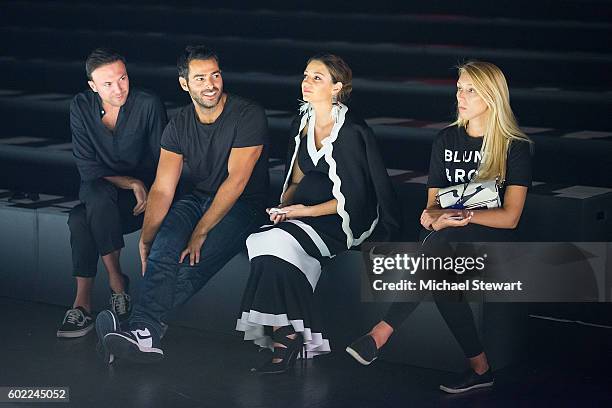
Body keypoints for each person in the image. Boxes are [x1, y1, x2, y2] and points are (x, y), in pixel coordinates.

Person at [346, 61, 533, 393]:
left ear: (491, 96)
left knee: (437, 252)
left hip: (491, 237)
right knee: (440, 251)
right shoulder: (446, 139)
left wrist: (460, 215)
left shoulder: (513, 146)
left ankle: (383, 332)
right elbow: (431, 205)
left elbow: (510, 217)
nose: (460, 95)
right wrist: (437, 215)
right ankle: (479, 369)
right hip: (446, 233)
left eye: (470, 89)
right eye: (459, 87)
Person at [97, 45, 269, 363]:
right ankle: (141, 332)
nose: (210, 84)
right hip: (198, 198)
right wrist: (148, 239)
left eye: (215, 75)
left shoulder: (248, 114)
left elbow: (237, 181)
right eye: (200, 77)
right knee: (164, 248)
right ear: (184, 83)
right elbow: (162, 188)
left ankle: (137, 328)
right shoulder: (178, 126)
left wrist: (201, 231)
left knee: (192, 262)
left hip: (244, 206)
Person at [236, 54, 401, 374]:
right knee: (261, 241)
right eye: (306, 75)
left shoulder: (350, 131)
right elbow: (296, 178)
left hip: (341, 220)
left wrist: (306, 211)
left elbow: (355, 197)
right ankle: (291, 334)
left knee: (275, 245)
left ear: (337, 87)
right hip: (306, 214)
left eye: (317, 78)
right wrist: (285, 206)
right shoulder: (304, 120)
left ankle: (287, 339)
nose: (306, 82)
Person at [57, 48, 167, 338]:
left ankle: (83, 306)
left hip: (138, 204)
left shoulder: (147, 104)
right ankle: (117, 284)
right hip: (105, 193)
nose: (118, 89)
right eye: (107, 84)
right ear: (92, 87)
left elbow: (163, 162)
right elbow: (87, 168)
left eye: (123, 79)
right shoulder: (80, 106)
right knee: (93, 198)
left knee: (81, 217)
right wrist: (131, 181)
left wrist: (146, 189)